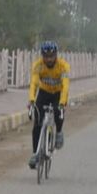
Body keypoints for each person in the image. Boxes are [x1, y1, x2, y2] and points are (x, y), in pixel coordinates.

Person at [28, 41, 70, 169]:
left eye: (52, 56)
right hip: (44, 93)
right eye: (46, 56)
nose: (49, 59)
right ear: (42, 56)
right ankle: (35, 154)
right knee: (37, 122)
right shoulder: (38, 65)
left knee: (58, 111)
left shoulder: (63, 66)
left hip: (57, 94)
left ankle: (59, 133)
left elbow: (65, 86)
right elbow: (34, 84)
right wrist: (31, 101)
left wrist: (62, 103)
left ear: (56, 55)